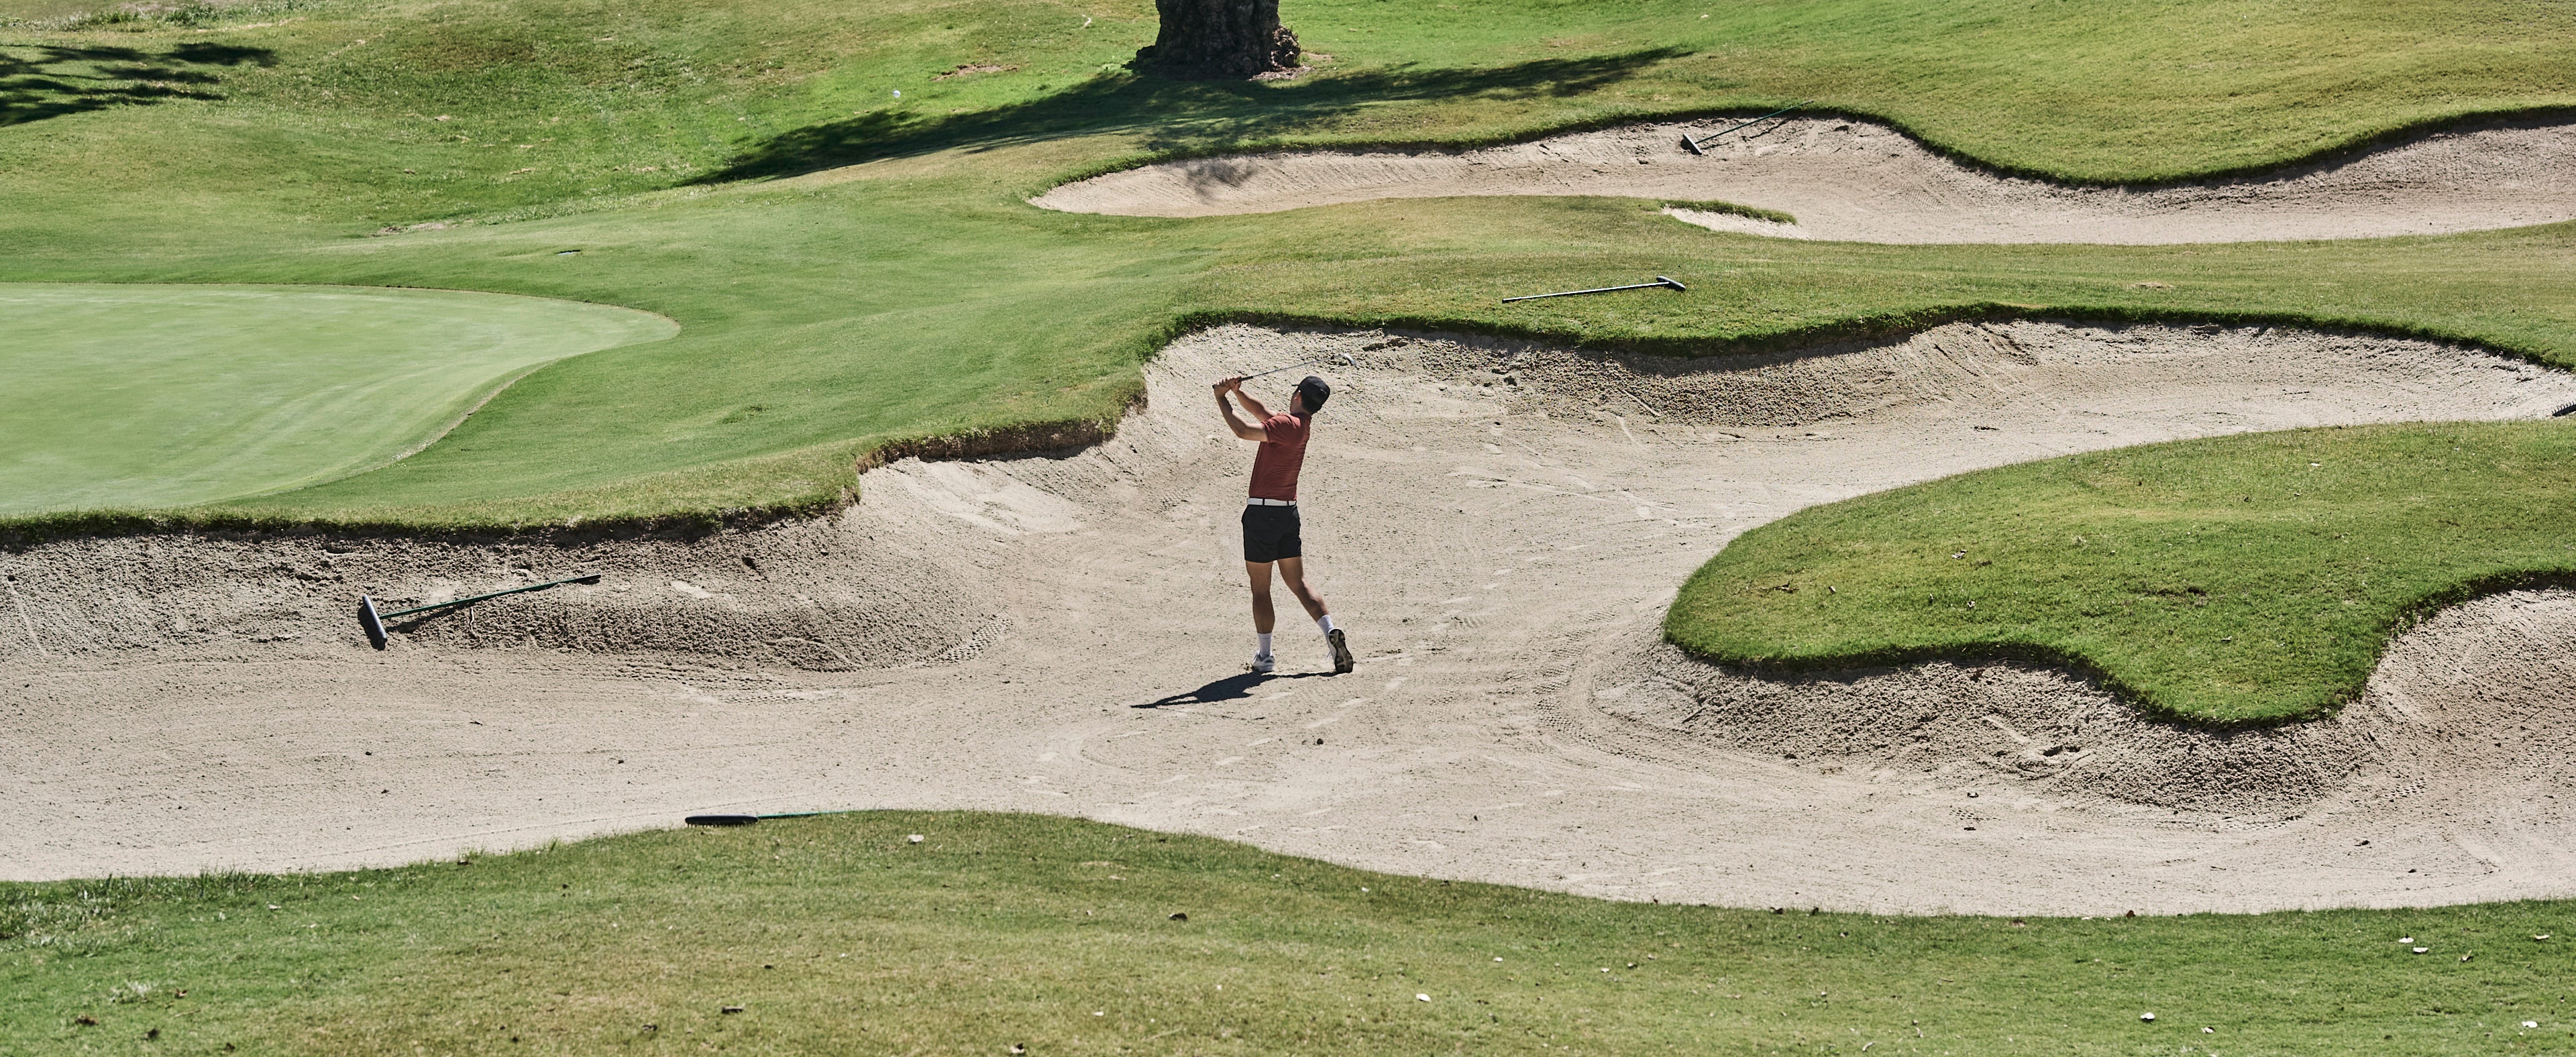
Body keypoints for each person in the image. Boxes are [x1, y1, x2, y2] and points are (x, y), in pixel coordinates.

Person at [1214, 372, 1353, 675]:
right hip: (1288, 514)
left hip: (1262, 516)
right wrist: (1238, 391)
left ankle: (1265, 656)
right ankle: (1331, 632)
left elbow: (1242, 430)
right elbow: (1263, 412)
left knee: (1261, 589)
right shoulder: (1300, 425)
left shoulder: (1286, 425)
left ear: (1297, 396)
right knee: (1298, 584)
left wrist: (1221, 399)